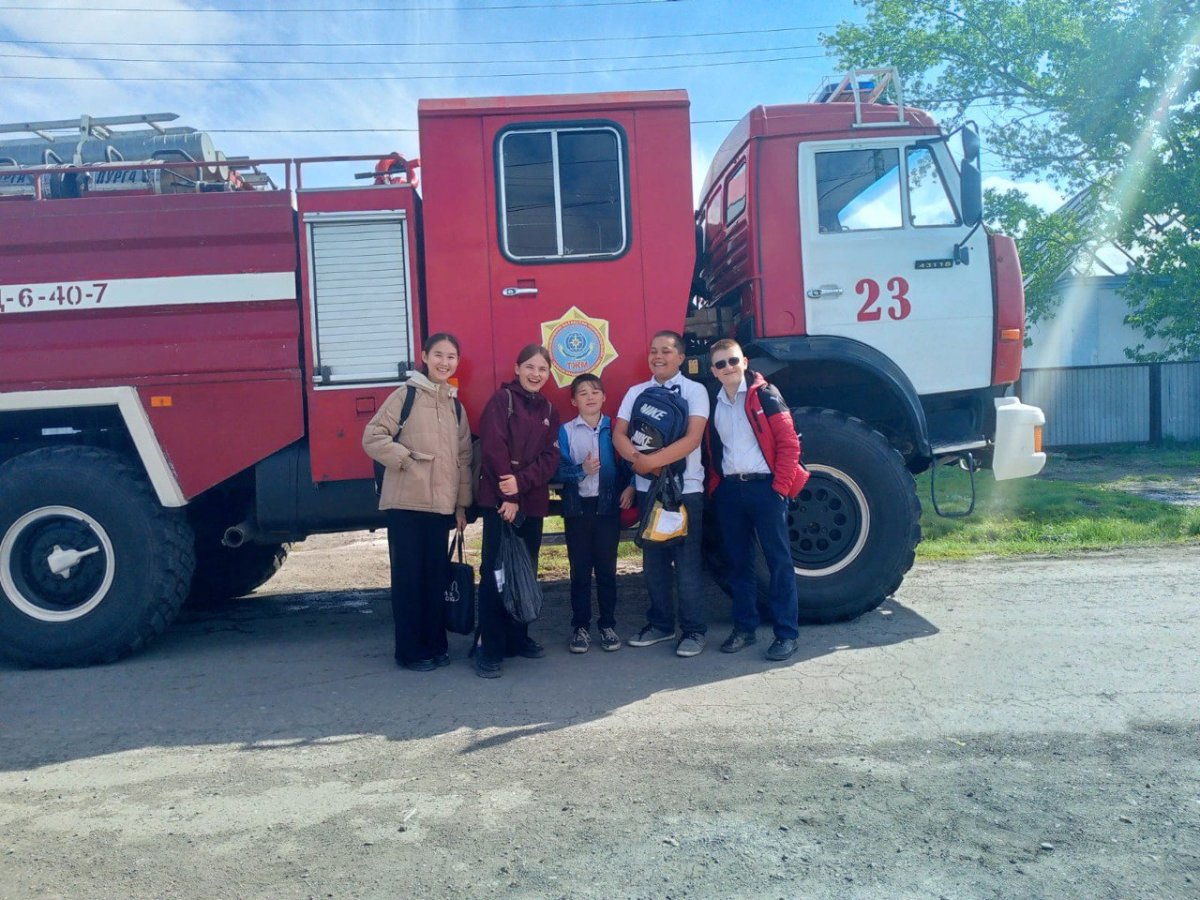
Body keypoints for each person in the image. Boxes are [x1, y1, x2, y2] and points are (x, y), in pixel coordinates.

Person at [362, 332, 473, 671]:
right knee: (409, 582)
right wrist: (407, 460)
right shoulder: (405, 395)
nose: (444, 362)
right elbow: (373, 437)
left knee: (434, 581)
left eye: (451, 356)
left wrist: (460, 507)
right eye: (438, 354)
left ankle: (436, 646)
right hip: (407, 506)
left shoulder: (455, 405)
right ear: (424, 356)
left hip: (440, 509)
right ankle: (410, 652)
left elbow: (463, 459)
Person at [702, 338, 809, 661]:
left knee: (778, 563)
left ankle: (786, 634)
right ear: (713, 371)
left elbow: (790, 443)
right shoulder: (714, 403)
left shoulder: (766, 396)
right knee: (738, 564)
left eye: (733, 361)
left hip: (766, 490)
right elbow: (713, 450)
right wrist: (717, 487)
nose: (728, 368)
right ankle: (744, 629)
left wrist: (780, 487)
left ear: (745, 362)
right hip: (731, 492)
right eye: (720, 364)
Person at [613, 330, 711, 657]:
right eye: (653, 350)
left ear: (681, 357)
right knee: (653, 563)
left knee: (686, 564)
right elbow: (619, 434)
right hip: (646, 493)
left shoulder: (696, 390)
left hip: (685, 491)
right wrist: (639, 464)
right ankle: (661, 625)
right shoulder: (636, 391)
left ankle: (694, 631)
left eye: (666, 351)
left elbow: (692, 438)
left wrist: (651, 463)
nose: (658, 356)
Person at [474, 344, 562, 678]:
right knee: (496, 574)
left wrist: (521, 484)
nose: (536, 374)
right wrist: (506, 497)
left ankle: (518, 639)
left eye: (542, 369)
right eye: (530, 367)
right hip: (501, 504)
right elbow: (494, 449)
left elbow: (551, 458)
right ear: (517, 367)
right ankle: (489, 649)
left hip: (532, 503)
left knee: (525, 571)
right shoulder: (501, 402)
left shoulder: (550, 410)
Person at [555, 374, 635, 654]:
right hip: (578, 509)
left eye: (595, 392)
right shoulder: (564, 431)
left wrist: (631, 488)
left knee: (606, 569)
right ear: (573, 400)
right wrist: (581, 470)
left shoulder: (615, 428)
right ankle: (580, 627)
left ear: (604, 397)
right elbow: (557, 471)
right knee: (579, 570)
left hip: (607, 508)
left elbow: (631, 461)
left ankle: (607, 625)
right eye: (583, 393)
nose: (590, 397)